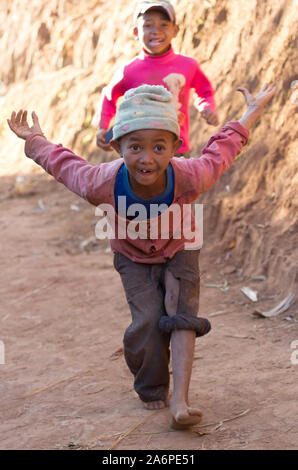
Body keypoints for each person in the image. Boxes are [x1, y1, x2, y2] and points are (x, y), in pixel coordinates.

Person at [7, 82, 276, 429]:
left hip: (181, 246)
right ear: (118, 146)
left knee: (180, 313)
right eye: (135, 146)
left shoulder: (189, 175)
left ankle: (181, 400)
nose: (147, 157)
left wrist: (250, 113)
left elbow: (220, 152)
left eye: (159, 147)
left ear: (175, 148)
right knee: (148, 322)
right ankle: (152, 384)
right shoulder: (101, 183)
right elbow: (65, 166)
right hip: (132, 255)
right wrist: (35, 141)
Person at [93, 0, 219, 156]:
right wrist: (103, 127)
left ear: (175, 30)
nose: (156, 31)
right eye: (147, 25)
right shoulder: (128, 71)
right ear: (136, 32)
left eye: (164, 25)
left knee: (179, 181)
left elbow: (204, 90)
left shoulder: (188, 65)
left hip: (176, 149)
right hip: (138, 154)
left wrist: (207, 107)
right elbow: (108, 96)